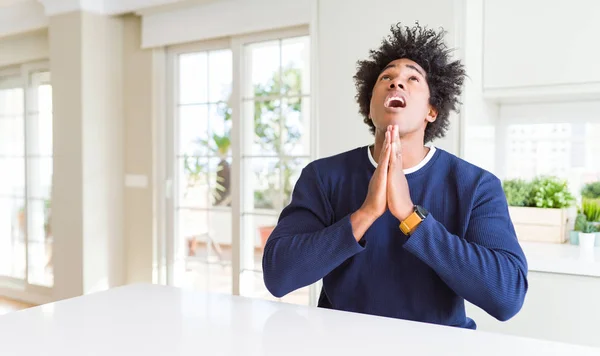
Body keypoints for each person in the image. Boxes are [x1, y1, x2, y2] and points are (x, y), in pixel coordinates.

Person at [261, 22, 528, 329]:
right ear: (369, 108)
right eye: (386, 77)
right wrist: (366, 213)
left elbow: (507, 297)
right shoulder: (323, 177)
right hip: (341, 343)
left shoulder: (476, 186)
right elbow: (278, 275)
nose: (396, 83)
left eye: (412, 78)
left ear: (432, 110)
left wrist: (410, 216)